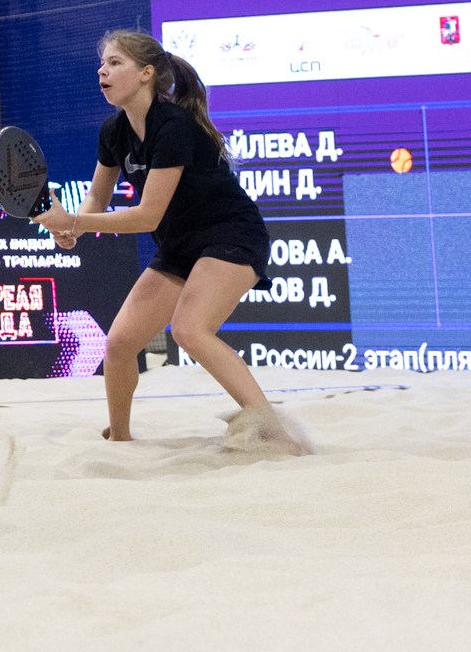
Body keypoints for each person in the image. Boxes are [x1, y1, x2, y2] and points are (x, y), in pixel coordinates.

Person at [35, 30, 302, 453]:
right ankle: (120, 440)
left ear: (146, 73)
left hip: (231, 233)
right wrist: (73, 228)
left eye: (115, 62)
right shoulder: (113, 131)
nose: (102, 71)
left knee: (190, 330)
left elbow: (148, 216)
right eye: (102, 64)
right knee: (119, 344)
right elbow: (97, 199)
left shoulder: (173, 126)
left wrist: (77, 221)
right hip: (180, 245)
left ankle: (276, 433)